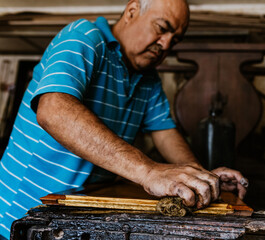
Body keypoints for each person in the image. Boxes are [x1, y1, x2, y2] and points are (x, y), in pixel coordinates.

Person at [0, 0, 248, 238]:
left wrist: (199, 179)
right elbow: (53, 110)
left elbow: (165, 133)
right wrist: (149, 172)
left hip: (73, 222)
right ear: (131, 11)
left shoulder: (148, 80)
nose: (166, 44)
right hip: (17, 219)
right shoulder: (84, 36)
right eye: (162, 29)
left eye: (175, 40)